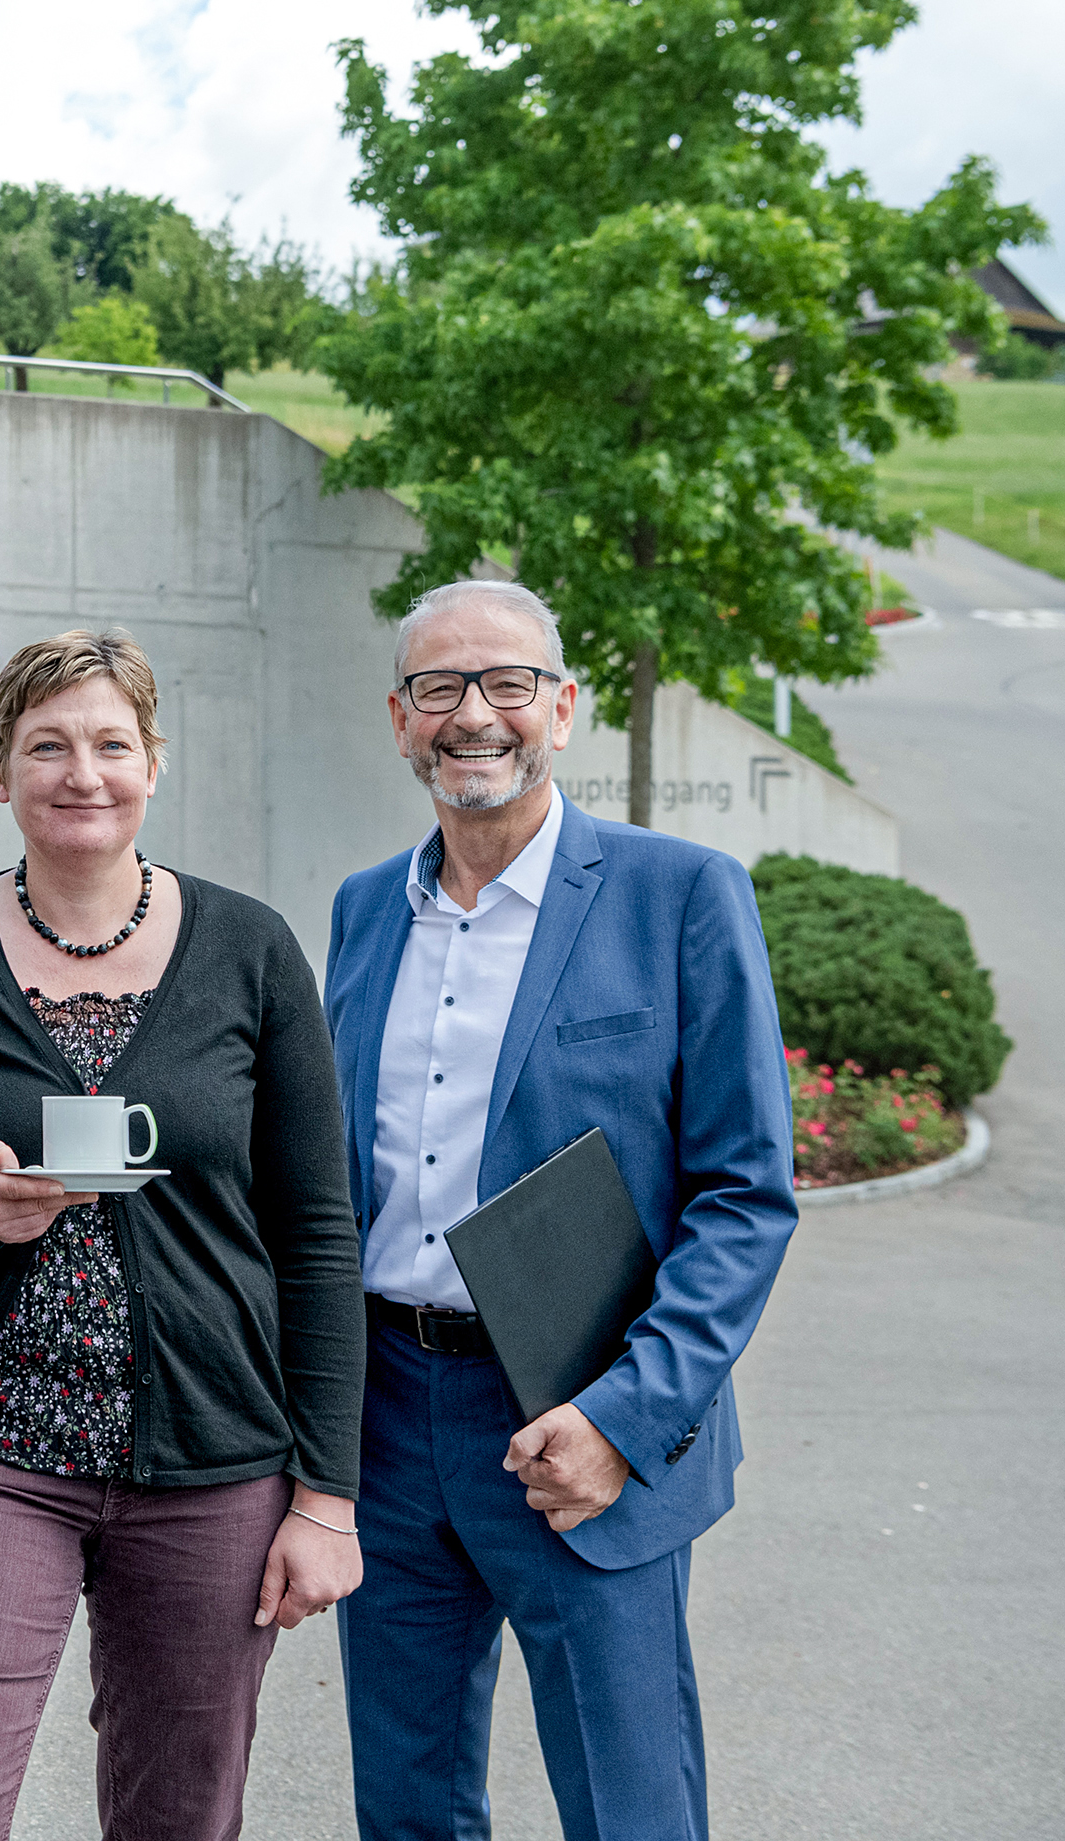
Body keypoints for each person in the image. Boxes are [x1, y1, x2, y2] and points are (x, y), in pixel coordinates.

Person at [0, 628, 364, 1841]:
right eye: (47, 744)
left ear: (154, 763)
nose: (82, 772)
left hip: (217, 1464)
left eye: (111, 743)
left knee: (178, 1820)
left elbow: (318, 1233)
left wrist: (326, 1494)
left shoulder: (251, 950)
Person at [322, 579, 798, 1841]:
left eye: (507, 683)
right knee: (406, 1801)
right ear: (398, 718)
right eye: (439, 687)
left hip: (582, 1422)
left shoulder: (680, 894)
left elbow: (746, 1197)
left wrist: (623, 1418)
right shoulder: (364, 910)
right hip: (386, 1418)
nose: (473, 713)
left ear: (563, 709)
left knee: (628, 1803)